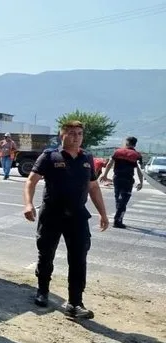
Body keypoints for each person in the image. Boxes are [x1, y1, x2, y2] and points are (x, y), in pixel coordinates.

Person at [23, 120, 108, 319]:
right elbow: (31, 181)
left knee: (79, 259)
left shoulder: (87, 157)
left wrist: (103, 213)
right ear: (62, 135)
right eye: (71, 133)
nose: (76, 137)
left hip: (77, 216)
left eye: (79, 133)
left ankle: (75, 303)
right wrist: (28, 204)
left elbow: (93, 187)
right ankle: (43, 291)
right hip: (52, 213)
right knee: (46, 254)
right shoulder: (49, 156)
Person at [100, 136, 144, 228]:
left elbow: (110, 164)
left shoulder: (118, 152)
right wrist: (141, 182)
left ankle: (118, 219)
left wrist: (105, 175)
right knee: (123, 201)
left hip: (117, 178)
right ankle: (117, 220)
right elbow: (140, 170)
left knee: (118, 199)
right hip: (127, 180)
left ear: (126, 143)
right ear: (135, 144)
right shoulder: (137, 155)